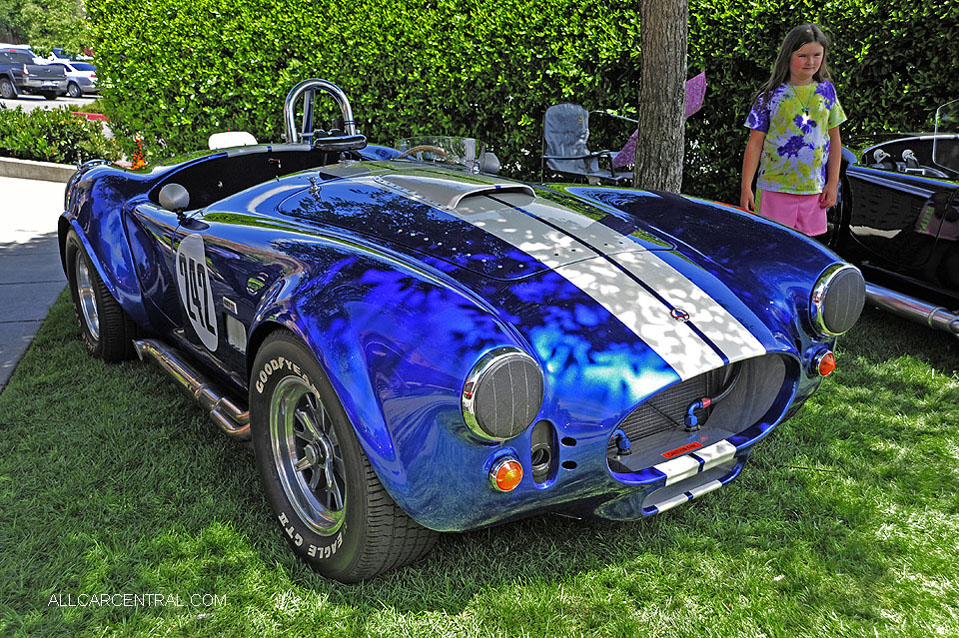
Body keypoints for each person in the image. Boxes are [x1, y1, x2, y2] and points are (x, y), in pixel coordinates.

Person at [740, 24, 847, 237]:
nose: (811, 62)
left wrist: (833, 183)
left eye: (817, 55)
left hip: (814, 191)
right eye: (803, 55)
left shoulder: (827, 92)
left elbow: (835, 140)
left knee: (806, 252)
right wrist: (746, 187)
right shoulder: (770, 97)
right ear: (788, 56)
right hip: (774, 189)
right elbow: (755, 143)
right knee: (772, 246)